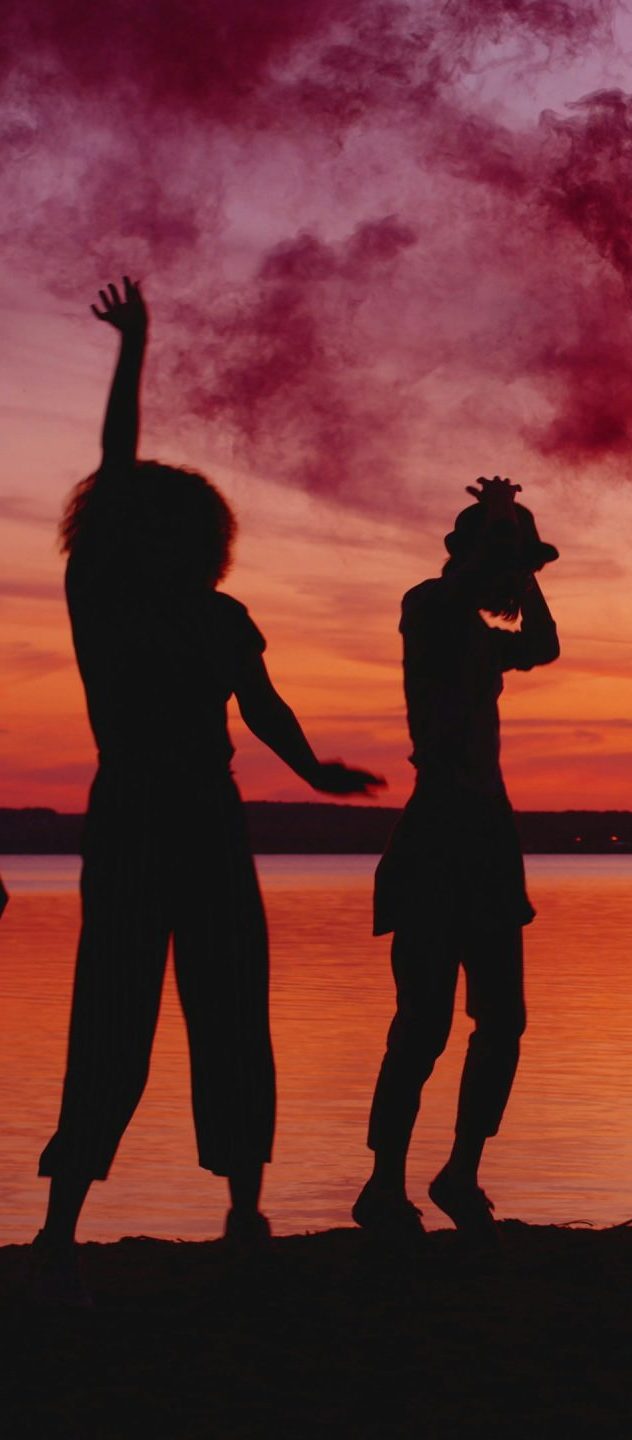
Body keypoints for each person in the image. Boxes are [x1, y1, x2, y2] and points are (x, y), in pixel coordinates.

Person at [32, 278, 383, 1306]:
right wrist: (133, 350)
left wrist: (313, 768)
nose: (168, 539)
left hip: (211, 822)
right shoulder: (100, 596)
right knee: (114, 1012)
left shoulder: (223, 617)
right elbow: (115, 461)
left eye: (180, 529)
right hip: (134, 814)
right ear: (129, 532)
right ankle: (60, 1219)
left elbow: (261, 706)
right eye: (151, 524)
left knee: (230, 1005)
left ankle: (242, 1206)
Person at [354, 476, 559, 1247]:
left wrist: (523, 563)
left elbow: (543, 645)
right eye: (507, 563)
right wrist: (501, 532)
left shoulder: (478, 634)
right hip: (438, 833)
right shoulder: (430, 607)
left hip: (487, 838)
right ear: (470, 556)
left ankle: (460, 1172)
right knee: (423, 1024)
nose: (515, 577)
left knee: (502, 1020)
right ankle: (383, 1184)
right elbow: (461, 590)